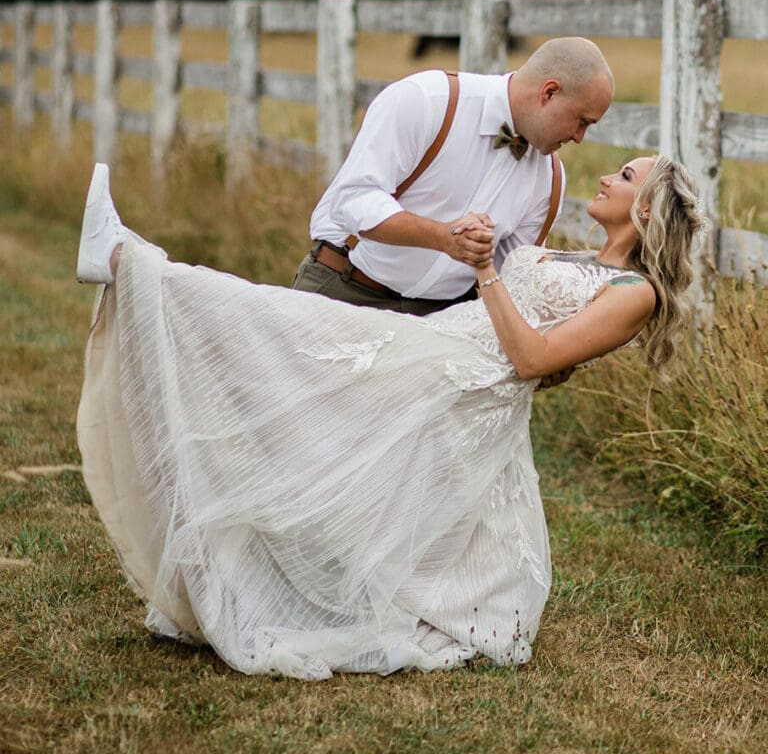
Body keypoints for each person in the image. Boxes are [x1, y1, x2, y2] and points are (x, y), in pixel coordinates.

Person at [76, 153, 702, 681]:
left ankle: (132, 263)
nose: (606, 178)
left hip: (459, 381)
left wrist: (486, 270)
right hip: (438, 347)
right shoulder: (575, 258)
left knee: (289, 331)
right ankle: (133, 266)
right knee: (293, 340)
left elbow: (532, 358)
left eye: (625, 176)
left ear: (646, 209)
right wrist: (479, 245)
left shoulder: (635, 295)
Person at [292, 36, 615, 316]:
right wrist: (443, 237)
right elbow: (353, 199)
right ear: (549, 93)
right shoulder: (427, 100)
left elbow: (514, 280)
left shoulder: (550, 179)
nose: (579, 138)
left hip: (443, 320)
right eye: (582, 121)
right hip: (344, 289)